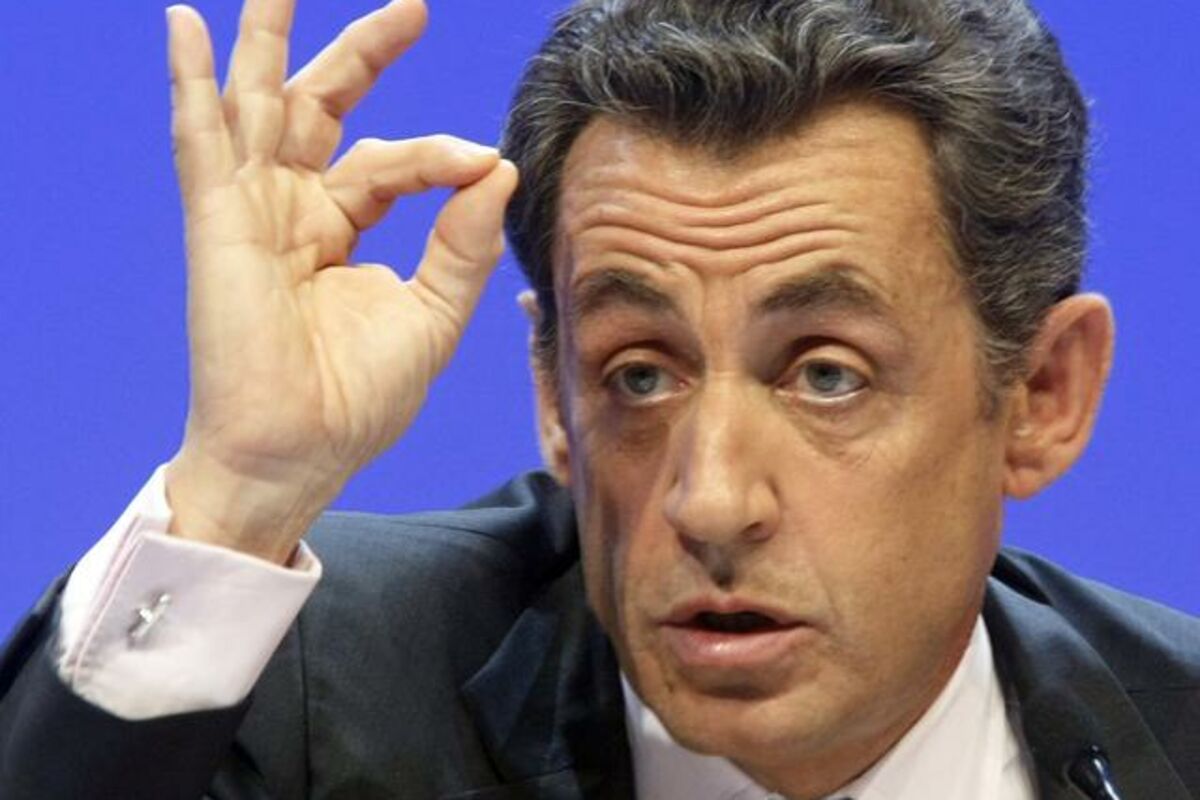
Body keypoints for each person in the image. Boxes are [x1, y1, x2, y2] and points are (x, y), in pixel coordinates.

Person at [0, 0, 1196, 797]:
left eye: (826, 372)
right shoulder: (308, 686)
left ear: (1043, 393)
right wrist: (239, 489)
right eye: (640, 373)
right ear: (554, 394)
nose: (711, 499)